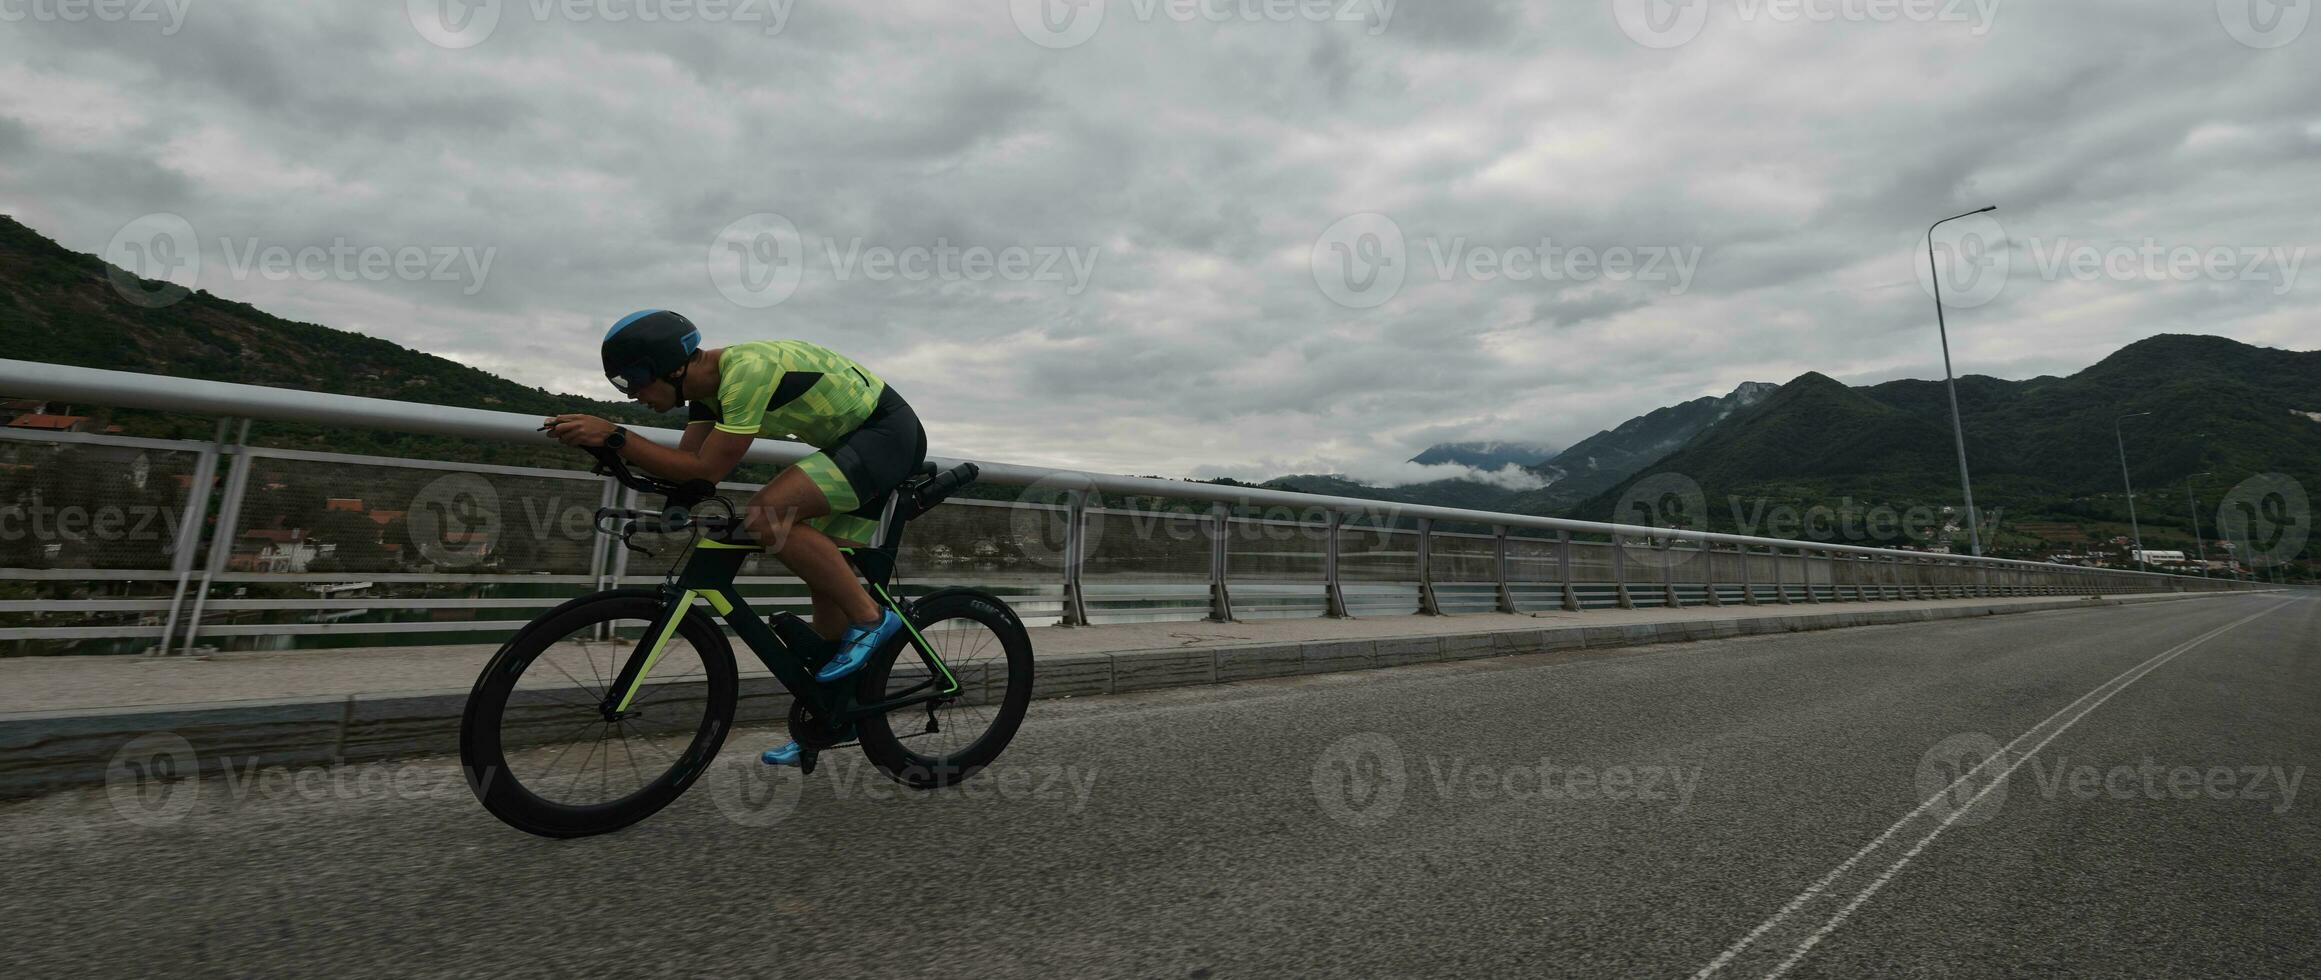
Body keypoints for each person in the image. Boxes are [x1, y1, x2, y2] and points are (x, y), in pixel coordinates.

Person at [542, 309, 927, 766]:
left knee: (767, 517)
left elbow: (708, 468)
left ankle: (874, 620)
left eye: (634, 381)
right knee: (828, 584)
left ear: (671, 365)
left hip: (885, 435)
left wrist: (616, 435)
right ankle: (830, 715)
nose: (634, 394)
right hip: (853, 445)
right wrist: (666, 504)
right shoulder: (707, 395)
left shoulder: (745, 374)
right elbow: (690, 471)